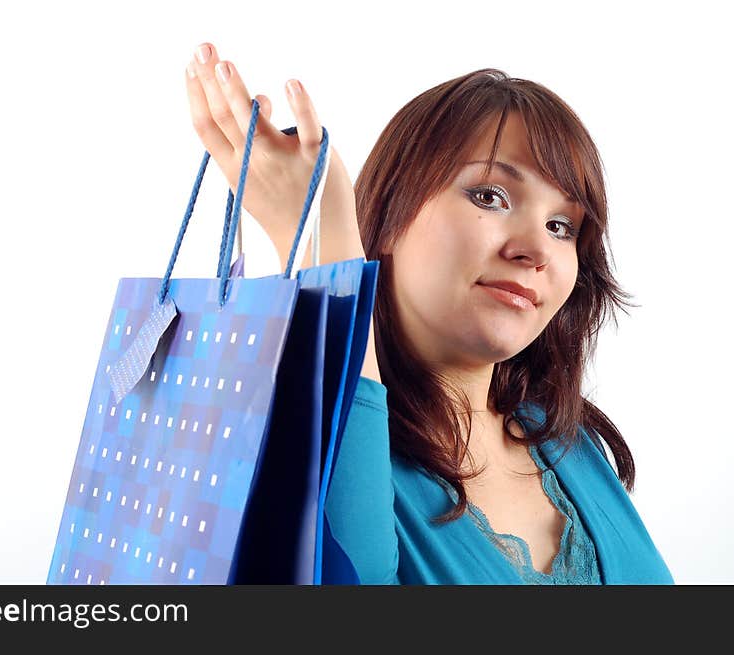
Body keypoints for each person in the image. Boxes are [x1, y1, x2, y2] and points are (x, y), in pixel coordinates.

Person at [184, 42, 673, 585]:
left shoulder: (564, 436)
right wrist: (327, 244)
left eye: (563, 227)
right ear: (391, 215)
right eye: (490, 196)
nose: (536, 248)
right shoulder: (314, 444)